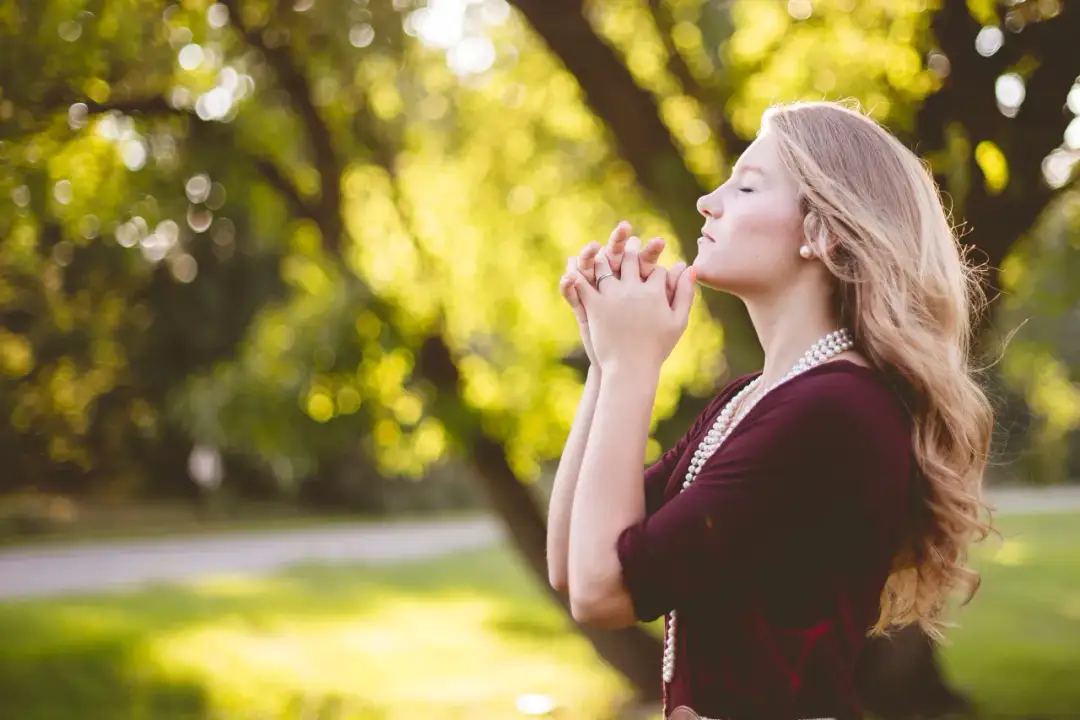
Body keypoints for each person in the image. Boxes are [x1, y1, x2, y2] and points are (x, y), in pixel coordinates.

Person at [544, 101, 994, 720]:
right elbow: (574, 563)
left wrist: (633, 366)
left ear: (822, 232)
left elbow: (605, 592)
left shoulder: (834, 410)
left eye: (747, 185)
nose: (709, 200)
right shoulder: (752, 398)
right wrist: (605, 359)